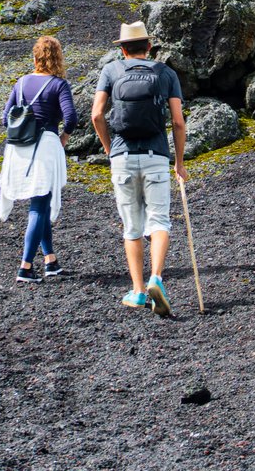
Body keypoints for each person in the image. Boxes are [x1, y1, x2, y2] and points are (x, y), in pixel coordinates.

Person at [90, 21, 188, 316]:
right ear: (149, 47)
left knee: (132, 227)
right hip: (156, 155)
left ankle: (139, 292)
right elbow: (178, 122)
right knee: (159, 221)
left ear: (121, 49)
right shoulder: (165, 73)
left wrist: (110, 151)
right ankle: (156, 277)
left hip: (122, 156)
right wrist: (179, 163)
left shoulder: (110, 71)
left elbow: (97, 115)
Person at [0, 36, 76, 283]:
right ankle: (26, 266)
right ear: (58, 58)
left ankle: (50, 260)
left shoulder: (21, 83)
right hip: (44, 148)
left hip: (18, 149)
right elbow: (71, 118)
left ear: (35, 57)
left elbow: (5, 118)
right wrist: (63, 137)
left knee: (39, 201)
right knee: (39, 205)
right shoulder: (59, 84)